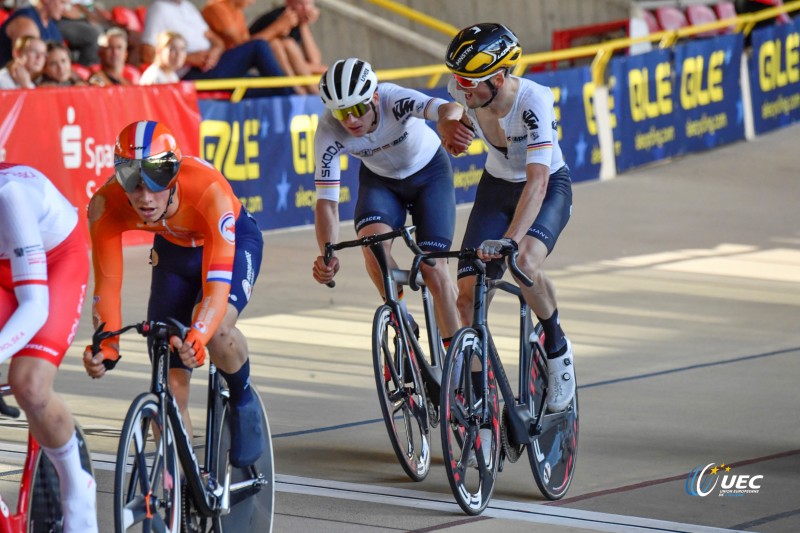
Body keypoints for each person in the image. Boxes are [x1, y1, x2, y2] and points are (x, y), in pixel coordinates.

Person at [82, 120, 266, 468]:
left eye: (157, 181)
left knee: (218, 331)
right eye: (132, 182)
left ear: (175, 175)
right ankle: (180, 494)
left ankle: (242, 398)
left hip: (231, 241)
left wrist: (198, 335)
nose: (145, 197)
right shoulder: (105, 205)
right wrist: (106, 346)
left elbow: (216, 288)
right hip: (174, 252)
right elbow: (107, 284)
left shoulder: (208, 190)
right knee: (168, 382)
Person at [437, 23, 576, 413]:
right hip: (496, 186)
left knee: (524, 262)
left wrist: (510, 240)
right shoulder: (464, 89)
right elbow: (449, 107)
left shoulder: (533, 101)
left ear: (498, 78)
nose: (461, 87)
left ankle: (557, 346)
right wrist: (449, 126)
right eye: (456, 78)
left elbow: (538, 181)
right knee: (467, 298)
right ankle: (480, 400)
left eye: (469, 80)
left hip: (546, 187)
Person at [311, 57, 462, 347]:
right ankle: (402, 317)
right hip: (381, 181)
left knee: (432, 268)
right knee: (371, 246)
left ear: (375, 98)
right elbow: (327, 202)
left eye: (357, 109)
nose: (350, 121)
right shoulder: (329, 129)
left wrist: (448, 122)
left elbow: (447, 107)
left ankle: (461, 364)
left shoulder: (395, 100)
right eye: (341, 112)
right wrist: (327, 254)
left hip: (430, 174)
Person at [0, 159, 98, 533]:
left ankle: (76, 484)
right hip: (6, 267)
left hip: (56, 263)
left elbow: (34, 308)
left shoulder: (11, 196)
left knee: (29, 383)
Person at [140, 0, 292, 94]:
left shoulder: (188, 7)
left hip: (213, 65)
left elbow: (216, 40)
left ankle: (294, 100)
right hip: (191, 74)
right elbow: (146, 53)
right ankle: (295, 98)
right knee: (257, 47)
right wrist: (189, 59)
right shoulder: (158, 8)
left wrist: (215, 52)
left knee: (264, 88)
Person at [202, 0, 325, 93]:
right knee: (276, 45)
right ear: (288, 3)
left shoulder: (238, 14)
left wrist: (303, 25)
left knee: (288, 44)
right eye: (301, 4)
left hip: (236, 69)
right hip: (215, 68)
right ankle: (293, 91)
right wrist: (278, 26)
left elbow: (314, 59)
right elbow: (246, 47)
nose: (254, 1)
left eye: (309, 4)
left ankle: (301, 91)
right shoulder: (217, 9)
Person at [0, 0, 70, 66]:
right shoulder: (26, 21)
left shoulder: (52, 27)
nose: (65, 9)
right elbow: (27, 65)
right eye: (62, 2)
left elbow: (63, 59)